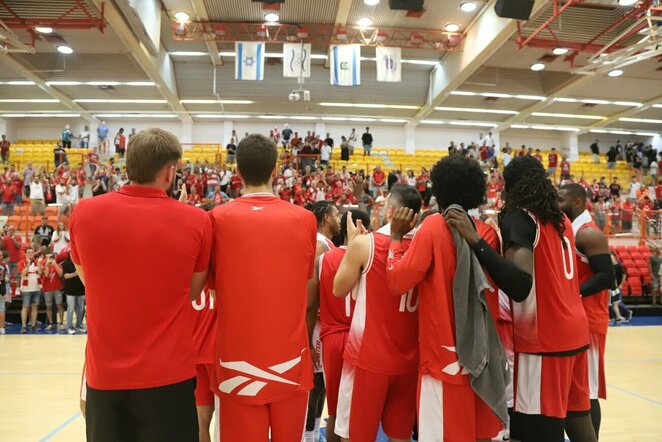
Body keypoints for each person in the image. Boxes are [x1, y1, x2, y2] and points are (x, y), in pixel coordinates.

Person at [70, 128, 211, 441]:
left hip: (105, 377)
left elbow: (87, 278)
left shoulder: (84, 213)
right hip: (169, 377)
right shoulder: (196, 221)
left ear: (127, 165)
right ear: (170, 171)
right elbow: (192, 291)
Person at [444, 156, 595, 442]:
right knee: (578, 418)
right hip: (576, 331)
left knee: (536, 429)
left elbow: (519, 284)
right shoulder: (560, 217)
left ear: (512, 186)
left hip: (545, 340)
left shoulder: (520, 217)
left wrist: (475, 241)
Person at [385, 157, 508, 442]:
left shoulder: (432, 228)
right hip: (482, 358)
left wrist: (395, 239)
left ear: (439, 189)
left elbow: (396, 282)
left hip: (443, 360)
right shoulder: (488, 233)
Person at [208, 134, 317, 442]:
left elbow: (213, 288)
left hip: (235, 365)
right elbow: (305, 285)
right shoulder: (304, 219)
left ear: (237, 172)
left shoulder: (217, 218)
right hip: (290, 363)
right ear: (275, 170)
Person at [332, 184, 421, 442]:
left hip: (368, 358)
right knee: (400, 437)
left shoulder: (364, 244)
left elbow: (339, 289)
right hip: (408, 360)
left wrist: (351, 245)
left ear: (390, 211)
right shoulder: (426, 246)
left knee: (356, 436)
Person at [307, 209, 370, 442]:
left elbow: (310, 305)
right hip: (360, 336)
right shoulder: (370, 256)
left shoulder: (323, 259)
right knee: (358, 410)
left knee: (334, 410)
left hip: (331, 338)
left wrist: (306, 341)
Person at [558, 184, 615, 439]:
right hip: (575, 321)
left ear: (578, 203)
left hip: (590, 322)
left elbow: (606, 277)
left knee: (588, 392)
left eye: (561, 200)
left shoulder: (589, 233)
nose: (556, 204)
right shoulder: (571, 230)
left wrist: (571, 293)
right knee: (576, 391)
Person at [304, 201, 340, 442]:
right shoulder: (319, 246)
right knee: (315, 381)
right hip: (315, 323)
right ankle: (308, 434)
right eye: (336, 214)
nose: (340, 218)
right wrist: (306, 337)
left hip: (321, 320)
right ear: (326, 218)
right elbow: (310, 297)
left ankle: (314, 432)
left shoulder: (326, 244)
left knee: (322, 382)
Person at [19, 246, 42, 333]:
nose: (30, 254)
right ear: (25, 253)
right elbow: (23, 273)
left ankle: (33, 324)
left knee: (35, 307)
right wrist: (28, 264)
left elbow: (40, 273)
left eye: (32, 252)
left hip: (36, 288)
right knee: (25, 307)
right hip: (26, 289)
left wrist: (39, 264)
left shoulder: (37, 262)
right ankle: (24, 326)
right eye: (28, 252)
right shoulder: (22, 262)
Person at [42, 252, 64, 331]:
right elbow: (47, 275)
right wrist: (47, 265)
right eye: (47, 257)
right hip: (48, 289)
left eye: (51, 257)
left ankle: (61, 323)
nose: (49, 259)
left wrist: (55, 265)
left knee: (59, 305)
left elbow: (61, 274)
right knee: (49, 306)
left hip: (57, 288)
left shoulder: (59, 265)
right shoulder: (44, 266)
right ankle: (50, 323)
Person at [0, 252, 9, 334]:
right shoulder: (2, 266)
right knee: (1, 308)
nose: (1, 257)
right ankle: (2, 328)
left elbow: (2, 281)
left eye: (1, 255)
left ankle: (2, 327)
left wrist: (3, 292)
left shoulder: (2, 266)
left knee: (1, 308)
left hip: (1, 290)